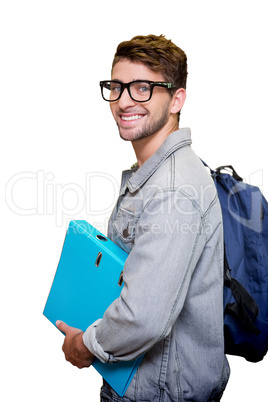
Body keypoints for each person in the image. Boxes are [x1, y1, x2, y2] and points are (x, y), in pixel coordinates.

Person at [56, 34, 230, 401]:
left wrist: (84, 345)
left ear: (176, 99)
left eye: (142, 88)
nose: (123, 101)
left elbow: (143, 318)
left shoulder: (171, 189)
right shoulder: (156, 171)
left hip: (160, 393)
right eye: (116, 87)